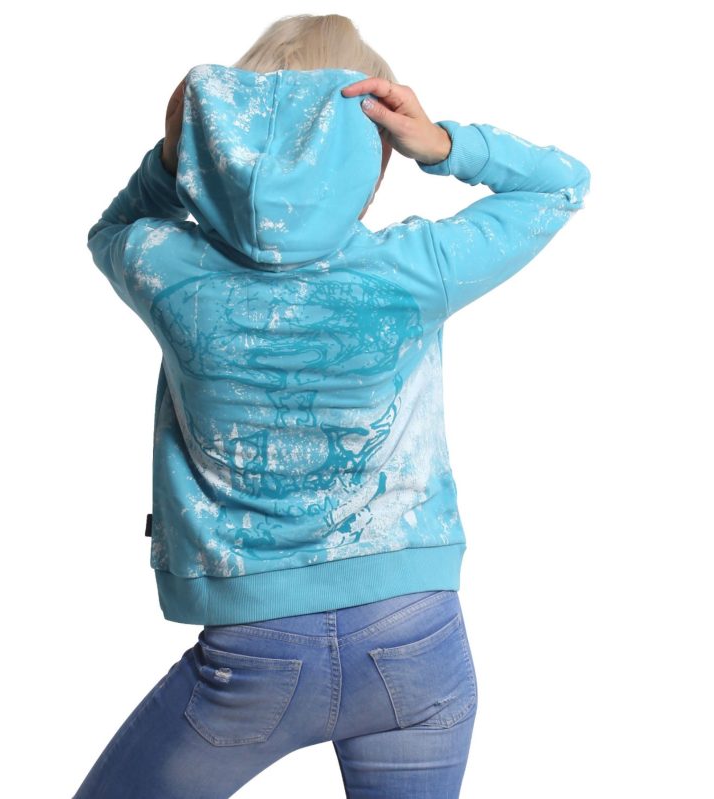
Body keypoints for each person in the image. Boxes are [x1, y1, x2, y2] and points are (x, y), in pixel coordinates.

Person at [75, 13, 591, 799]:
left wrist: (175, 159)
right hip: (416, 645)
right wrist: (442, 144)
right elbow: (561, 183)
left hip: (252, 657)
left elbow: (112, 226)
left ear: (219, 142)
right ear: (372, 153)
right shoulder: (416, 268)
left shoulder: (166, 269)